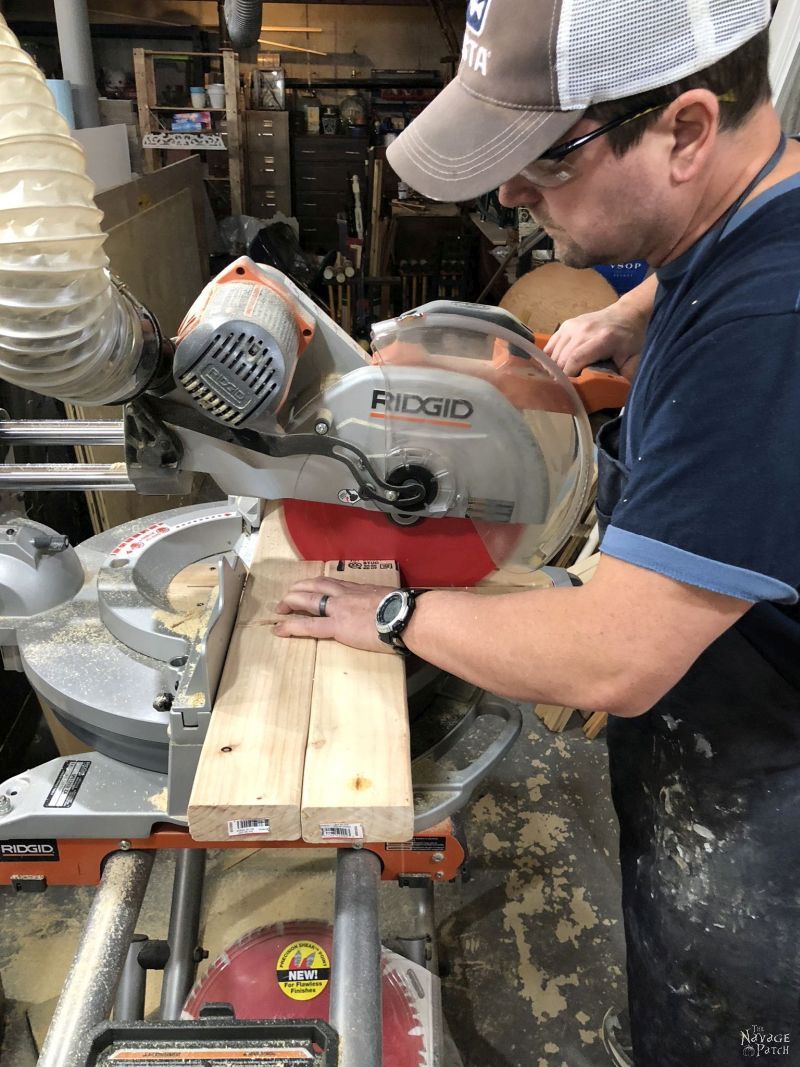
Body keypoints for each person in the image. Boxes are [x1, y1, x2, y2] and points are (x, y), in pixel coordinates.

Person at [275, 1, 800, 1063]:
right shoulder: (752, 208)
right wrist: (639, 305)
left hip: (772, 786)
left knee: (727, 1025)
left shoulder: (763, 328)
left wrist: (391, 610)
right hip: (736, 714)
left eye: (544, 161)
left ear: (686, 130)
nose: (511, 190)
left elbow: (615, 657)